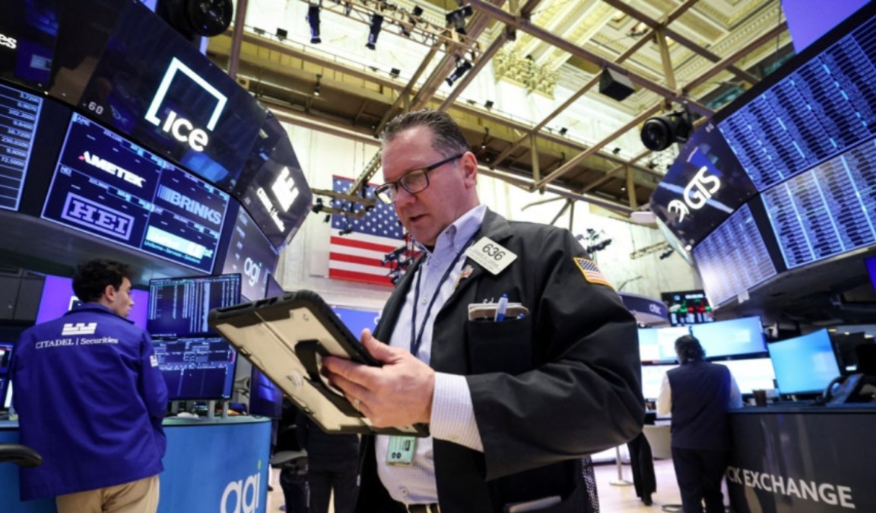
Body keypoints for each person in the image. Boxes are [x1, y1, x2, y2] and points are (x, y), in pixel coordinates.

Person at [322, 110, 644, 513]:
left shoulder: (543, 252)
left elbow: (612, 398)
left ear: (468, 170)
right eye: (391, 187)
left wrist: (437, 401)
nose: (401, 200)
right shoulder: (407, 286)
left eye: (414, 178)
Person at [12, 260, 169, 513]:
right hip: (129, 464)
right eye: (128, 292)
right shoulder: (134, 337)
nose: (131, 302)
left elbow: (22, 403)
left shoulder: (31, 339)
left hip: (69, 472)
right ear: (110, 292)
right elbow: (157, 402)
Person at [657, 335, 742, 513]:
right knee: (713, 492)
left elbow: (663, 409)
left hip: (684, 443)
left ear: (678, 353)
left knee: (690, 494)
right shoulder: (723, 371)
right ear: (701, 350)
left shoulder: (671, 376)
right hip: (717, 442)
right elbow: (736, 403)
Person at [296, 412, 360, 513]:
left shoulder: (314, 400)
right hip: (347, 452)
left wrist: (308, 447)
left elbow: (300, 423)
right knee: (345, 506)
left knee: (317, 506)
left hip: (318, 452)